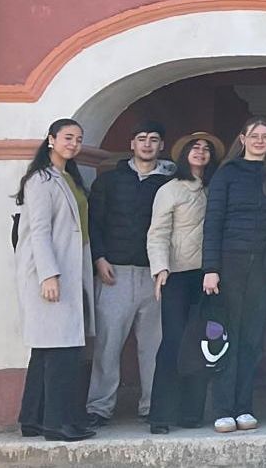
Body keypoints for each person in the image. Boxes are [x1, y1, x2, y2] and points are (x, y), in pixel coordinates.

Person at [85, 120, 177, 427]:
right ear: (132, 143)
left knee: (154, 345)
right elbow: (94, 222)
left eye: (154, 139)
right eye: (142, 139)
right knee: (108, 344)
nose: (148, 144)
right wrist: (98, 258)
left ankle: (153, 406)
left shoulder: (170, 182)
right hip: (116, 272)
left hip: (156, 273)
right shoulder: (109, 181)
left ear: (161, 145)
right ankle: (99, 406)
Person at [201, 117, 266, 433]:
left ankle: (244, 407)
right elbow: (213, 222)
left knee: (252, 339)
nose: (260, 140)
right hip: (228, 265)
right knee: (225, 338)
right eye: (255, 135)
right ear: (243, 138)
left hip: (262, 269)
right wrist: (211, 269)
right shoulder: (227, 174)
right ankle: (222, 409)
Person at [15, 118, 97, 442]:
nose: (73, 144)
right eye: (67, 138)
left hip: (69, 272)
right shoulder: (41, 180)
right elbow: (39, 230)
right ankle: (56, 424)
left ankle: (32, 420)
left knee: (46, 351)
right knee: (61, 350)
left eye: (78, 139)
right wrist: (49, 274)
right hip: (50, 275)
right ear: (51, 140)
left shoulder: (68, 178)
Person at [146, 131, 222, 434]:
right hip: (177, 275)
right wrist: (160, 268)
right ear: (184, 153)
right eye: (195, 147)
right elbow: (158, 232)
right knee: (173, 343)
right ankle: (160, 415)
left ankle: (192, 413)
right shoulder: (170, 189)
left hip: (209, 276)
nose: (201, 152)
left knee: (203, 344)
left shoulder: (215, 188)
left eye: (206, 148)